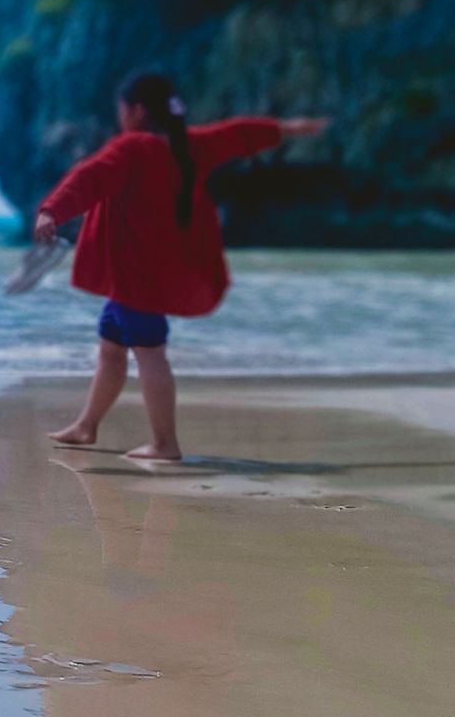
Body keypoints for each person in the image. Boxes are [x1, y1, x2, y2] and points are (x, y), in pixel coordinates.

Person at [31, 72, 328, 461]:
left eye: (121, 109)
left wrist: (52, 209)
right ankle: (87, 425)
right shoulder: (189, 146)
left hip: (138, 279)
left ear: (136, 112)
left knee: (149, 354)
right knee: (111, 350)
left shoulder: (132, 147)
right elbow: (238, 135)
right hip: (138, 277)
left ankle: (165, 443)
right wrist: (287, 128)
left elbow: (89, 178)